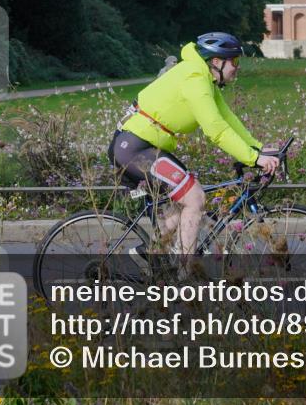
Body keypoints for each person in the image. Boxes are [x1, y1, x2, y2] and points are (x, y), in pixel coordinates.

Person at [108, 32, 279, 269]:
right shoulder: (195, 78)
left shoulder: (204, 78)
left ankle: (152, 256)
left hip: (144, 145)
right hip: (134, 148)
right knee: (194, 197)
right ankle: (185, 277)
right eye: (235, 62)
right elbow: (216, 130)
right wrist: (254, 158)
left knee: (181, 207)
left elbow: (227, 119)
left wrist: (258, 149)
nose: (237, 68)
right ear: (217, 62)